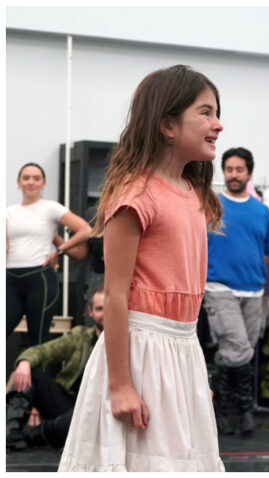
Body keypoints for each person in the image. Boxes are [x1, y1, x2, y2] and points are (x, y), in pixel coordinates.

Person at [58, 65, 226, 472]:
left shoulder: (192, 193)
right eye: (205, 112)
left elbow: (187, 308)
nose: (218, 125)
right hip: (141, 355)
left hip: (181, 350)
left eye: (217, 113)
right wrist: (119, 385)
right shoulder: (136, 194)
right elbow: (115, 294)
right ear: (168, 124)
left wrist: (191, 372)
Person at [204, 146, 269, 436]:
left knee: (234, 351)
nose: (233, 175)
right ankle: (244, 410)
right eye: (229, 169)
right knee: (240, 348)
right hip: (218, 287)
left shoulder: (263, 212)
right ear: (224, 172)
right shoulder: (211, 205)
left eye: (239, 170)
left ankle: (222, 410)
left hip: (254, 291)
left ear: (249, 173)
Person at [6, 286, 106, 450]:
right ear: (91, 311)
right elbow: (41, 351)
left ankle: (31, 436)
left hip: (98, 413)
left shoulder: (129, 341)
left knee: (76, 421)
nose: (105, 314)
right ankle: (10, 432)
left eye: (110, 307)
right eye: (100, 309)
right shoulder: (80, 337)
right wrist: (24, 363)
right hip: (69, 403)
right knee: (32, 371)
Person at [7, 163, 94, 346]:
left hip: (40, 278)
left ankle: (38, 374)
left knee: (37, 340)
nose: (31, 182)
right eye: (26, 178)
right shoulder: (8, 212)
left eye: (36, 178)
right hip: (10, 279)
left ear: (43, 183)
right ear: (18, 182)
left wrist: (60, 250)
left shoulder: (50, 208)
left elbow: (85, 230)